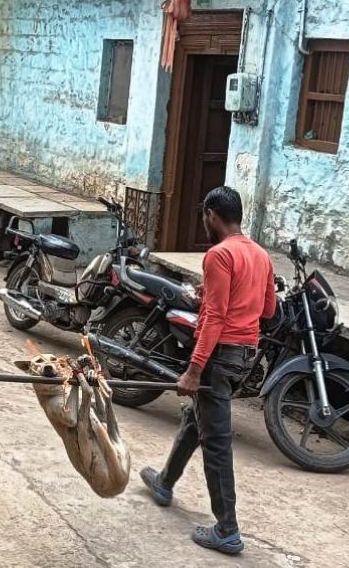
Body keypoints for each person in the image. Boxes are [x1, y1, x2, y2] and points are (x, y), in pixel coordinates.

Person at [139, 186, 275, 555]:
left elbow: (214, 317)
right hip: (245, 354)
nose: (204, 222)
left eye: (204, 216)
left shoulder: (219, 255)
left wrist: (195, 369)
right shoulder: (261, 255)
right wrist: (217, 297)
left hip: (218, 356)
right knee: (196, 417)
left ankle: (227, 530)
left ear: (212, 215)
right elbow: (266, 310)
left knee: (216, 442)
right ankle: (165, 481)